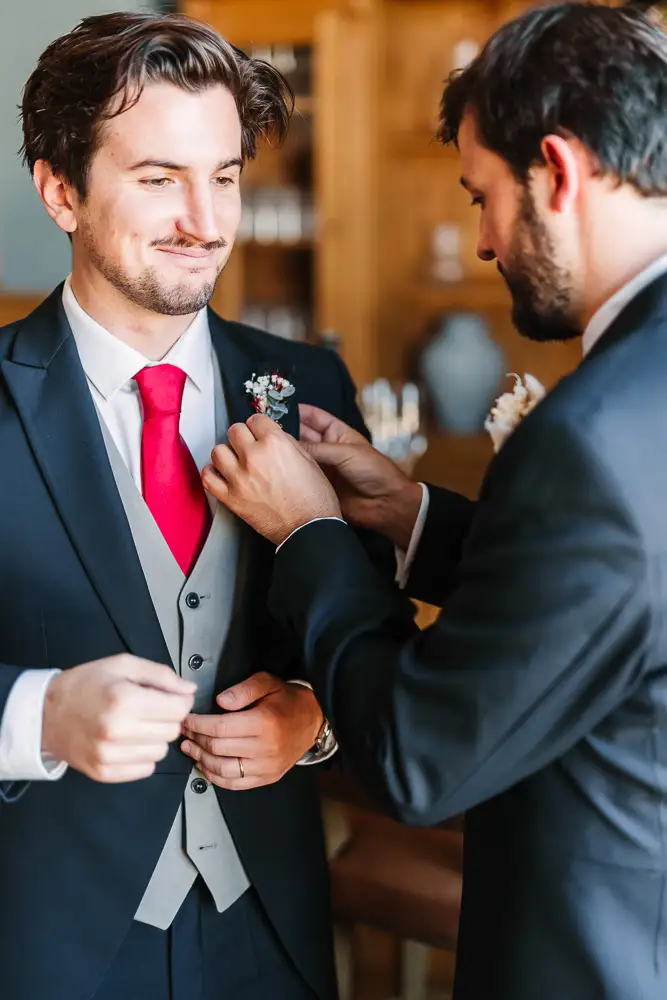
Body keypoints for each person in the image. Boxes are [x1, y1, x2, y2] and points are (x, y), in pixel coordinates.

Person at [202, 4, 667, 999]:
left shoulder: (589, 435)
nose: (487, 241)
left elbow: (419, 759)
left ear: (558, 169)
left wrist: (312, 532)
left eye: (483, 196)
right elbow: (618, 586)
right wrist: (410, 515)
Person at [0, 12, 389, 1000]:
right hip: (50, 941)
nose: (205, 221)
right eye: (158, 177)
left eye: (222, 177)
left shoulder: (307, 387)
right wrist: (36, 714)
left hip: (272, 928)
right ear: (60, 191)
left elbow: (367, 631)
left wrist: (315, 720)